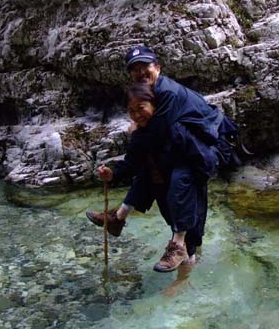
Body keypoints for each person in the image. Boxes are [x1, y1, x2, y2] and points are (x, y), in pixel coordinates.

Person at [87, 46, 240, 271]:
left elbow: (155, 134)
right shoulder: (149, 95)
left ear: (157, 67)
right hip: (189, 145)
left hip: (212, 145)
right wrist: (115, 173)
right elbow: (144, 149)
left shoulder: (167, 93)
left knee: (180, 178)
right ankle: (118, 218)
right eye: (135, 69)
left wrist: (136, 130)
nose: (141, 72)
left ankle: (178, 246)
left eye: (145, 67)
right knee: (151, 169)